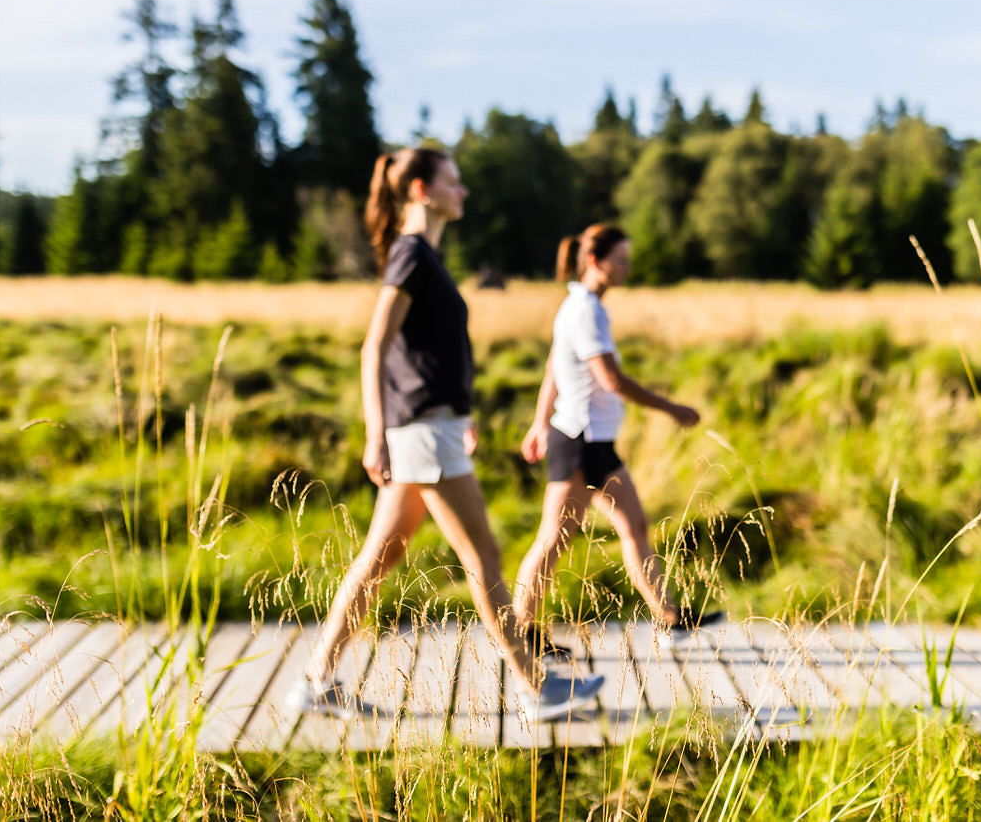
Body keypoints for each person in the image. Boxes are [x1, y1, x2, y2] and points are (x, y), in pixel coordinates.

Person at [294, 147, 603, 720]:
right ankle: (535, 688)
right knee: (483, 555)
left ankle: (316, 680)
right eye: (452, 182)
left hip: (435, 427)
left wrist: (461, 414)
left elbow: (426, 352)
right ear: (421, 190)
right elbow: (375, 346)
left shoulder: (425, 256)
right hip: (421, 433)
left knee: (380, 557)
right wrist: (376, 435)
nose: (462, 191)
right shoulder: (412, 255)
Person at [514, 224, 721, 656]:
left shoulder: (580, 305)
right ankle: (521, 633)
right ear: (595, 261)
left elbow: (554, 367)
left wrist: (538, 422)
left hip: (595, 443)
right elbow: (611, 379)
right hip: (579, 442)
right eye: (621, 260)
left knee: (634, 526)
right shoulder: (585, 309)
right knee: (553, 540)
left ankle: (671, 620)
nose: (627, 268)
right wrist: (671, 408)